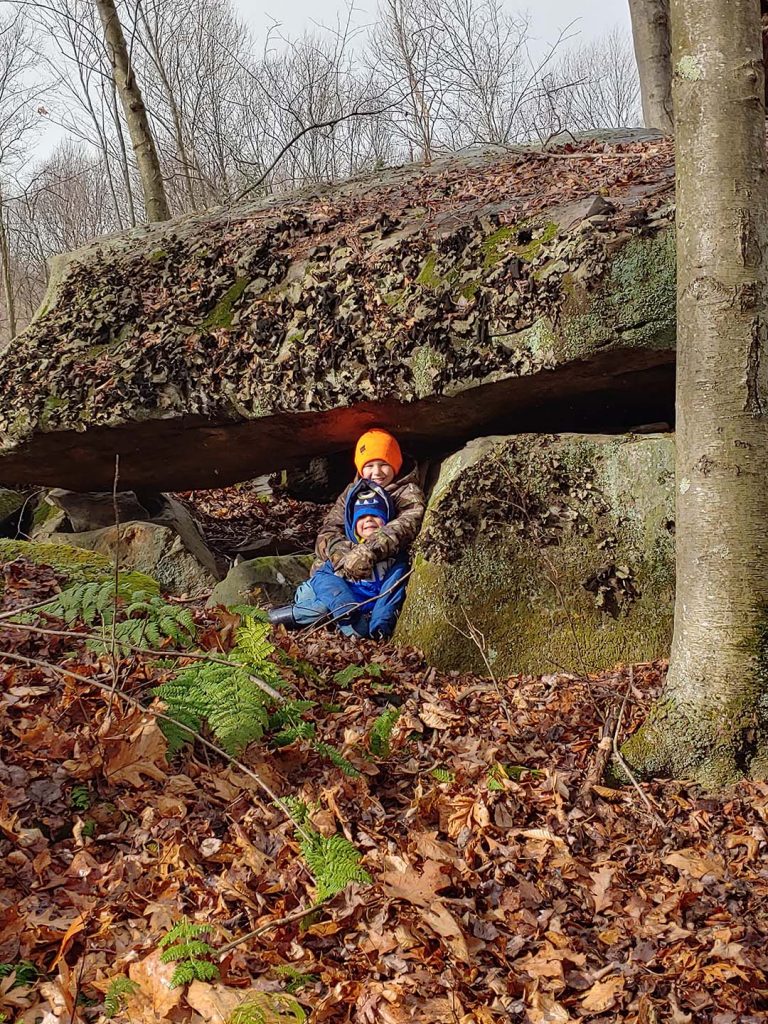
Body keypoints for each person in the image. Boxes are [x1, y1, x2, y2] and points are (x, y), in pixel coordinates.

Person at [268, 429, 426, 637]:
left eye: (384, 464)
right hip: (334, 575)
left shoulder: (407, 492)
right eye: (369, 466)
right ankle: (283, 616)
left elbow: (408, 523)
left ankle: (302, 617)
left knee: (335, 612)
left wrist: (368, 550)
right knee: (321, 602)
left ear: (395, 465)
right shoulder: (351, 492)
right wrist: (343, 554)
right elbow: (328, 530)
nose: (377, 472)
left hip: (374, 575)